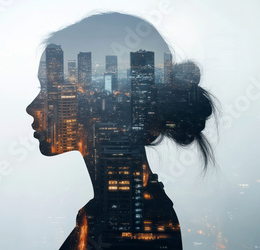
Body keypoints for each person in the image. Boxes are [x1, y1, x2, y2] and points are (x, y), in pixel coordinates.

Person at [26, 13, 215, 250]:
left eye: (50, 90)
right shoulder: (126, 214)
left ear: (103, 100)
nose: (32, 108)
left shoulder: (125, 226)